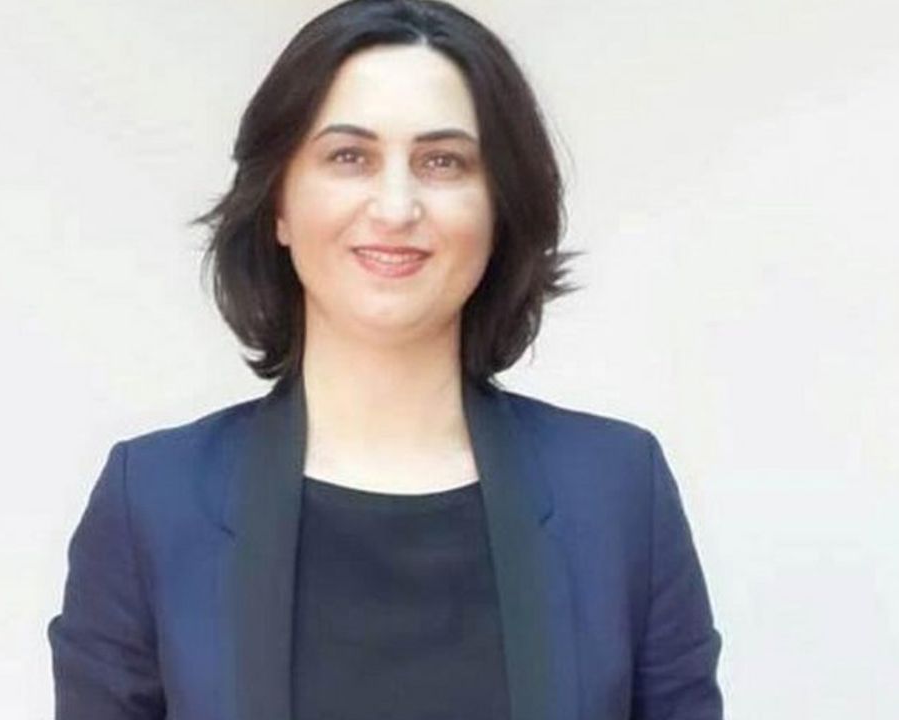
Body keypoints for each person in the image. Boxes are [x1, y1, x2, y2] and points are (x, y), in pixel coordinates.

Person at [46, 1, 724, 719]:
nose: (396, 207)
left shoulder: (618, 493)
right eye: (349, 157)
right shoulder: (154, 502)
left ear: (498, 209)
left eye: (442, 162)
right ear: (279, 204)